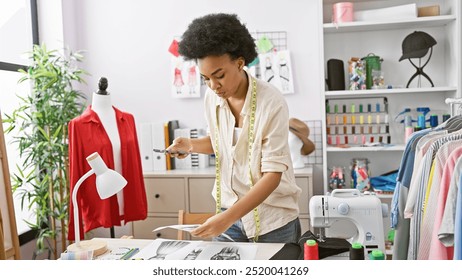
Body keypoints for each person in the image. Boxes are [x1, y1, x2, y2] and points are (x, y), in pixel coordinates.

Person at [167, 13, 301, 243]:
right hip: (228, 216)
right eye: (205, 78)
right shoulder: (212, 97)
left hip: (272, 220)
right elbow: (221, 142)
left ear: (240, 63)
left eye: (219, 76)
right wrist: (190, 145)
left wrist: (227, 218)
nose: (212, 85)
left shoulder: (271, 103)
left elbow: (273, 175)